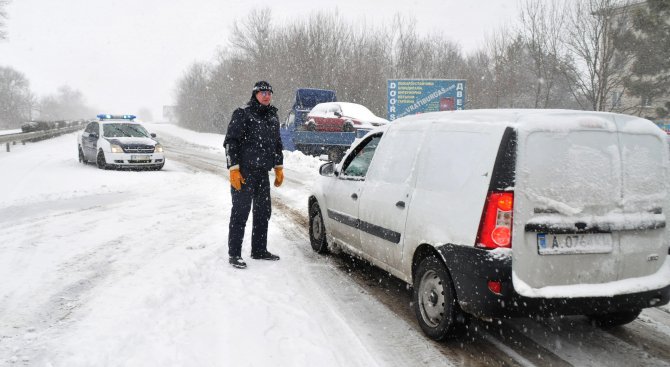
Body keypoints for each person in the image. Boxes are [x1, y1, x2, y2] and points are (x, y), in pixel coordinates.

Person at [223, 81, 284, 269]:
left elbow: (277, 144)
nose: (266, 95)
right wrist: (233, 168)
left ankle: (258, 249)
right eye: (262, 92)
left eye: (269, 92)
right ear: (255, 94)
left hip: (262, 174)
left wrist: (278, 166)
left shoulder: (272, 117)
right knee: (240, 212)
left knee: (263, 212)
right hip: (244, 173)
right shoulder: (243, 113)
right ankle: (234, 254)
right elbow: (230, 141)